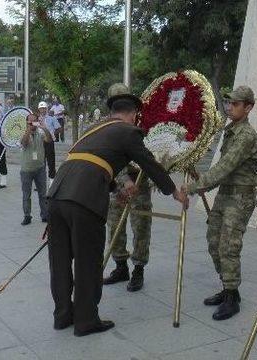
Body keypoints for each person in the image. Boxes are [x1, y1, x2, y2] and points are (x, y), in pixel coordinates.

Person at [46, 83, 188, 336]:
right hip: (84, 201)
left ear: (112, 112)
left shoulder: (92, 130)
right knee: (88, 262)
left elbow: (91, 163)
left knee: (59, 262)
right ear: (133, 114)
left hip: (57, 197)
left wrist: (116, 189)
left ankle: (62, 316)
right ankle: (86, 321)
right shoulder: (128, 131)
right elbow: (150, 164)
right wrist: (174, 191)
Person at [181, 86, 257, 321]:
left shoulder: (246, 136)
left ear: (248, 108)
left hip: (240, 198)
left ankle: (231, 297)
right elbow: (221, 169)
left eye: (235, 104)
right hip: (225, 194)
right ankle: (228, 288)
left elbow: (225, 166)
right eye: (228, 103)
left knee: (228, 246)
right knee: (213, 241)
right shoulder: (231, 131)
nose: (229, 107)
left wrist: (193, 187)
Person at [103, 166, 153, 292]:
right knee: (114, 226)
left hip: (140, 182)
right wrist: (124, 179)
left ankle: (138, 269)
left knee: (141, 228)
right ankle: (121, 267)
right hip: (118, 184)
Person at [20, 113, 52, 225]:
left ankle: (45, 215)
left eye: (35, 121)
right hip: (26, 169)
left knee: (43, 194)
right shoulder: (24, 133)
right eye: (30, 121)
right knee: (26, 195)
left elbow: (49, 140)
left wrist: (44, 127)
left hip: (40, 168)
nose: (33, 123)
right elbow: (24, 143)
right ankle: (27, 216)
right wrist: (28, 129)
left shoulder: (40, 132)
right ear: (27, 122)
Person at [37, 101, 60, 186]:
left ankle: (52, 182)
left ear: (46, 109)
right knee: (40, 163)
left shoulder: (52, 118)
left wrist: (53, 134)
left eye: (44, 108)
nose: (42, 110)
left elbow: (58, 128)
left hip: (49, 142)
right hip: (39, 142)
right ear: (39, 109)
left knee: (51, 162)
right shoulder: (37, 118)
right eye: (41, 108)